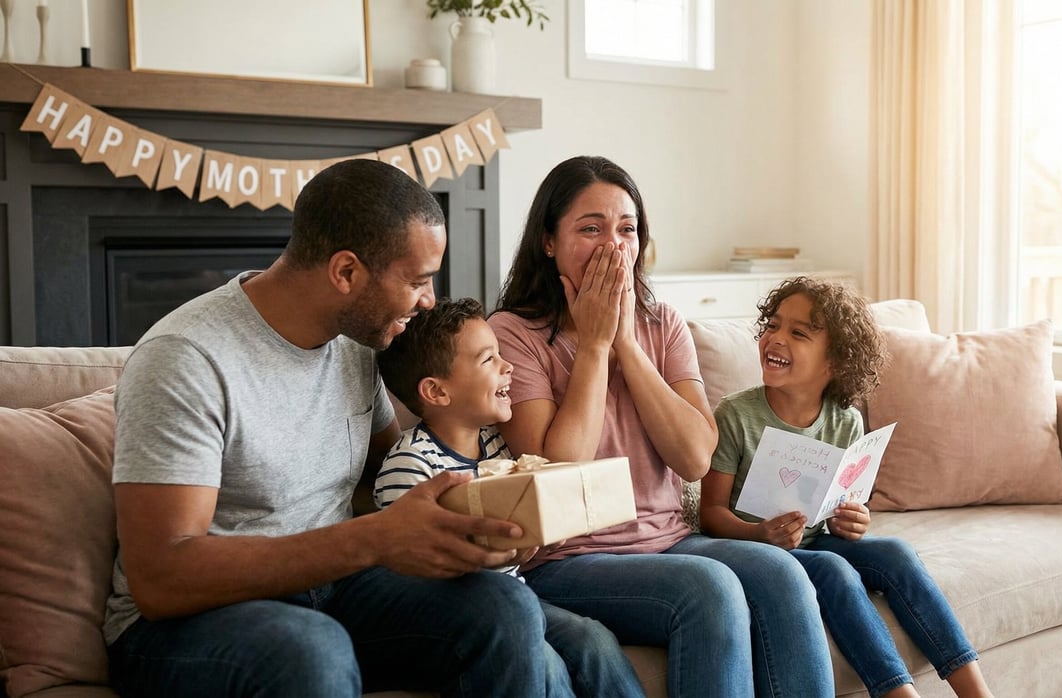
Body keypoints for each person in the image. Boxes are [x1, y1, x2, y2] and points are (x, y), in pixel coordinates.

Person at [105, 159, 574, 698]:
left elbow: (396, 470)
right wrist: (371, 539)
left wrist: (491, 521)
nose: (427, 301)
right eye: (418, 281)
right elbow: (162, 577)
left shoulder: (357, 344)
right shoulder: (186, 359)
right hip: (184, 626)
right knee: (310, 648)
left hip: (328, 591)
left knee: (501, 605)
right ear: (346, 272)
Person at [489, 155, 835, 697]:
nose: (613, 246)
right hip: (569, 559)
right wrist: (597, 344)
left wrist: (626, 341)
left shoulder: (662, 323)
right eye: (590, 228)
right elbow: (555, 473)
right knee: (710, 589)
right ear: (548, 241)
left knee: (784, 573)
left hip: (668, 540)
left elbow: (695, 457)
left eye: (627, 229)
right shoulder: (513, 333)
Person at [699, 276, 995, 698]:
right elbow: (709, 514)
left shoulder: (846, 421)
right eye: (774, 325)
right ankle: (898, 693)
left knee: (895, 552)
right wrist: (760, 533)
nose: (776, 338)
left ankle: (976, 691)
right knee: (835, 570)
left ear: (834, 363)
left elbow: (843, 501)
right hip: (758, 553)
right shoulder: (735, 415)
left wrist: (852, 519)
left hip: (817, 540)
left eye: (798, 333)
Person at [372, 296, 645, 697]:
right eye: (488, 360)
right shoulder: (410, 464)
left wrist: (540, 535)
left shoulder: (499, 445)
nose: (508, 366)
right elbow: (412, 577)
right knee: (548, 664)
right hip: (461, 613)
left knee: (594, 639)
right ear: (436, 391)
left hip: (517, 595)